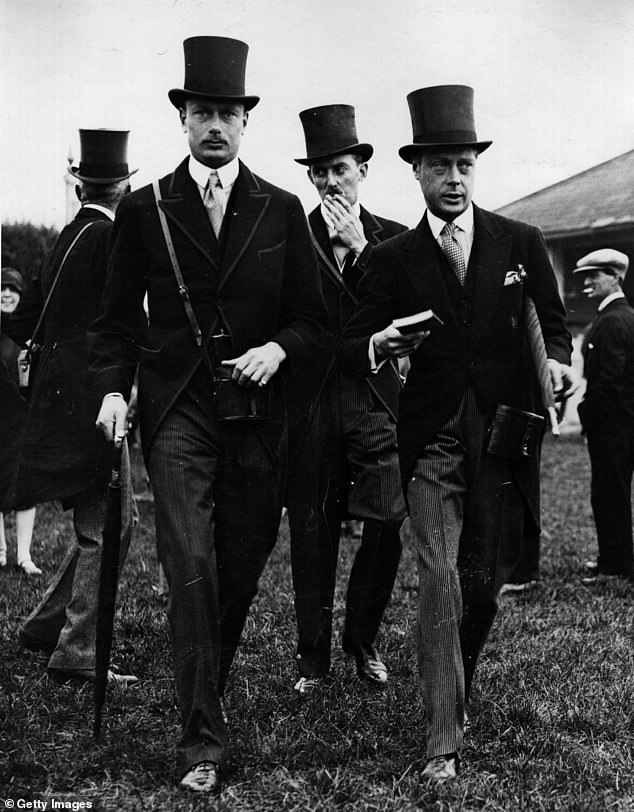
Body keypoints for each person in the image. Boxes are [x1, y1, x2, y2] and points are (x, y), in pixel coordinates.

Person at [89, 37, 326, 795]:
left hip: (258, 415)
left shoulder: (282, 209)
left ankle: (204, 682)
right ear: (183, 120)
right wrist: (112, 388)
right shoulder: (145, 207)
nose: (215, 125)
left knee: (240, 564)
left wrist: (279, 350)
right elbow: (115, 319)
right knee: (189, 563)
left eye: (228, 113)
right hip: (178, 406)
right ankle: (202, 739)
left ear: (246, 123)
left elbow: (317, 320)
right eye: (203, 112)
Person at [338, 85, 575, 782]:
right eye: (438, 166)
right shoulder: (391, 259)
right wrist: (382, 341)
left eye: (464, 165)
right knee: (439, 576)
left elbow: (553, 325)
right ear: (414, 171)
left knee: (482, 587)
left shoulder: (519, 242)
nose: (453, 179)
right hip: (433, 440)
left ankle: (451, 681)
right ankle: (442, 735)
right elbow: (352, 341)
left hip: (505, 438)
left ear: (477, 167)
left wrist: (557, 363)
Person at [5, 130, 138, 685]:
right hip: (91, 399)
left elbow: (27, 314)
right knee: (110, 526)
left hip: (60, 397)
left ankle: (45, 628)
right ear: (122, 186)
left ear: (82, 183)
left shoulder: (67, 235)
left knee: (110, 524)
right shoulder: (110, 237)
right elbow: (119, 319)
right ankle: (78, 651)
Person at [287, 104, 407, 695]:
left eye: (340, 168)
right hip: (311, 405)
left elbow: (408, 316)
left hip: (375, 401)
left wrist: (362, 251)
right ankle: (313, 657)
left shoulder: (395, 239)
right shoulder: (290, 235)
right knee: (313, 530)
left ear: (363, 167)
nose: (330, 182)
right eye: (319, 172)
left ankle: (362, 639)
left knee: (387, 519)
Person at [574, 249, 634, 581]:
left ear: (615, 277)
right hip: (623, 419)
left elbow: (609, 381)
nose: (586, 282)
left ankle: (615, 565)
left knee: (609, 493)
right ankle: (616, 558)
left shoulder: (611, 320)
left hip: (613, 423)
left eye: (594, 275)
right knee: (616, 492)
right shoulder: (624, 316)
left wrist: (587, 412)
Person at [0, 267, 39, 574]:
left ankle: (24, 556)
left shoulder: (30, 334)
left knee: (24, 486)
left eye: (13, 289)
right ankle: (0, 551)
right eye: (2, 289)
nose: (6, 294)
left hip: (22, 420)